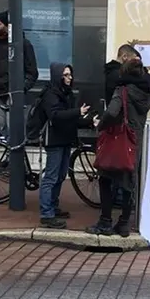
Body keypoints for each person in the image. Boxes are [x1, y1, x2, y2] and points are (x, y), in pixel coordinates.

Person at [87, 58, 150, 238]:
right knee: (128, 184)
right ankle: (124, 223)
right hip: (135, 142)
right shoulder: (147, 93)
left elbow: (112, 112)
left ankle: (105, 222)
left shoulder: (122, 90)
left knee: (105, 180)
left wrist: (101, 125)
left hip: (119, 141)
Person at [38, 62, 93, 229]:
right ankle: (46, 214)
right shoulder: (50, 94)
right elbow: (56, 116)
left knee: (61, 175)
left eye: (70, 75)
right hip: (54, 140)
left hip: (65, 139)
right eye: (66, 75)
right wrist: (78, 113)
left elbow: (70, 119)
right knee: (51, 177)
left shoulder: (66, 93)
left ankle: (53, 207)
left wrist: (89, 121)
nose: (70, 78)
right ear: (58, 77)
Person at [0, 11, 38, 139]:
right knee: (2, 127)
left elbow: (32, 71)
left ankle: (11, 157)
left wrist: (21, 88)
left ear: (8, 26)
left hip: (12, 92)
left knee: (12, 127)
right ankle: (6, 155)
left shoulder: (23, 44)